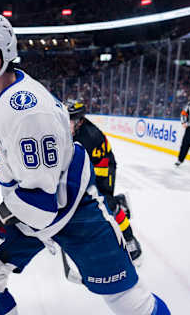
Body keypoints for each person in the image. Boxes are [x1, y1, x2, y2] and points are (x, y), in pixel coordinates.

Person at [0, 12, 169, 315]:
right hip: (25, 208)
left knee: (130, 302)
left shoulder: (28, 113)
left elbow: (41, 204)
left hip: (73, 212)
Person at [67, 101, 142, 263]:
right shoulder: (72, 130)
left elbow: (89, 168)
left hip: (103, 167)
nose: (67, 123)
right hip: (89, 165)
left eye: (71, 120)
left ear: (80, 121)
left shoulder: (90, 137)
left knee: (107, 202)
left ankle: (129, 237)